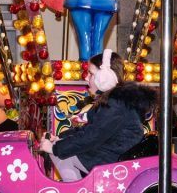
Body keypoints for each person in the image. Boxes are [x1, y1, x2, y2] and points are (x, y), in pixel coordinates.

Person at [39, 49, 156, 181]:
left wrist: (56, 148)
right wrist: (59, 138)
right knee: (60, 150)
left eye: (91, 73)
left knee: (60, 154)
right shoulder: (114, 100)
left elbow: (91, 136)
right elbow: (87, 130)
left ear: (104, 78)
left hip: (114, 159)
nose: (86, 77)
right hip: (109, 153)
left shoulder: (116, 104)